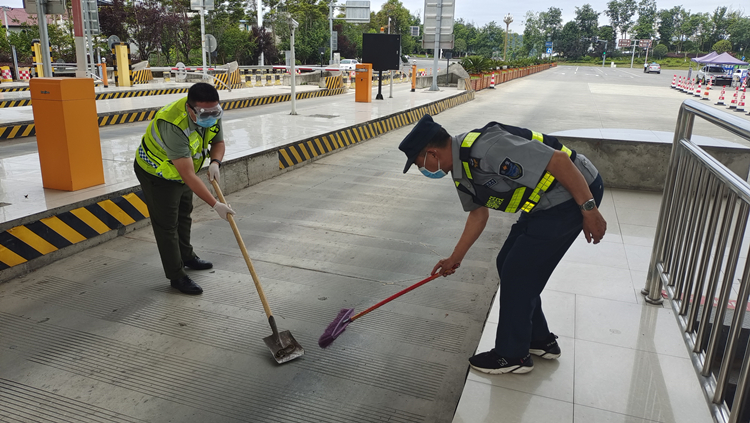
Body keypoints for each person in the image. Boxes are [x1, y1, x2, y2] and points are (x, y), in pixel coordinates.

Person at [398, 114, 607, 374]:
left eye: (419, 162)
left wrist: (589, 210)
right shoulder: (460, 169)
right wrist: (455, 258)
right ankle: (539, 339)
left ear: (431, 152)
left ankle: (512, 355)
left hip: (574, 191)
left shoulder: (487, 149)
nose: (422, 169)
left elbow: (559, 161)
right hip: (544, 202)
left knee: (518, 272)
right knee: (507, 261)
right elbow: (478, 214)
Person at [134, 82, 236, 295]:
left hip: (180, 171)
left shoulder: (211, 112)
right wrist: (215, 204)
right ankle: (176, 275)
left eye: (214, 111)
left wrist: (216, 162)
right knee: (167, 224)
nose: (211, 116)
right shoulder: (173, 124)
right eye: (204, 112)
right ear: (190, 109)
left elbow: (218, 142)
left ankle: (187, 256)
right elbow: (188, 175)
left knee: (184, 213)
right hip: (157, 173)